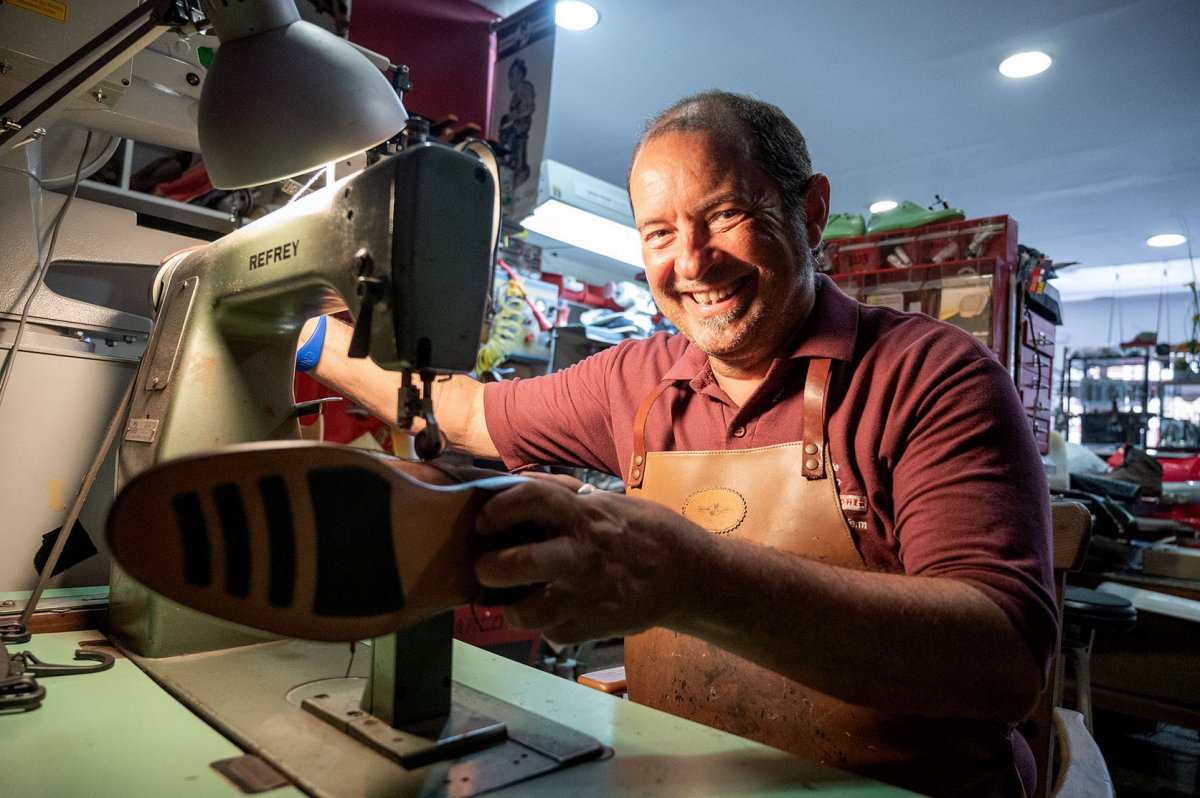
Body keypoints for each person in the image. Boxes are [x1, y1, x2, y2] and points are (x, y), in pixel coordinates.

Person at [299, 91, 1056, 797]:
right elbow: (461, 414)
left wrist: (695, 579)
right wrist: (297, 332)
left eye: (726, 215)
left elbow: (1005, 660)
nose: (691, 262)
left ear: (812, 210)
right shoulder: (638, 381)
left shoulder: (932, 376)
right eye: (660, 233)